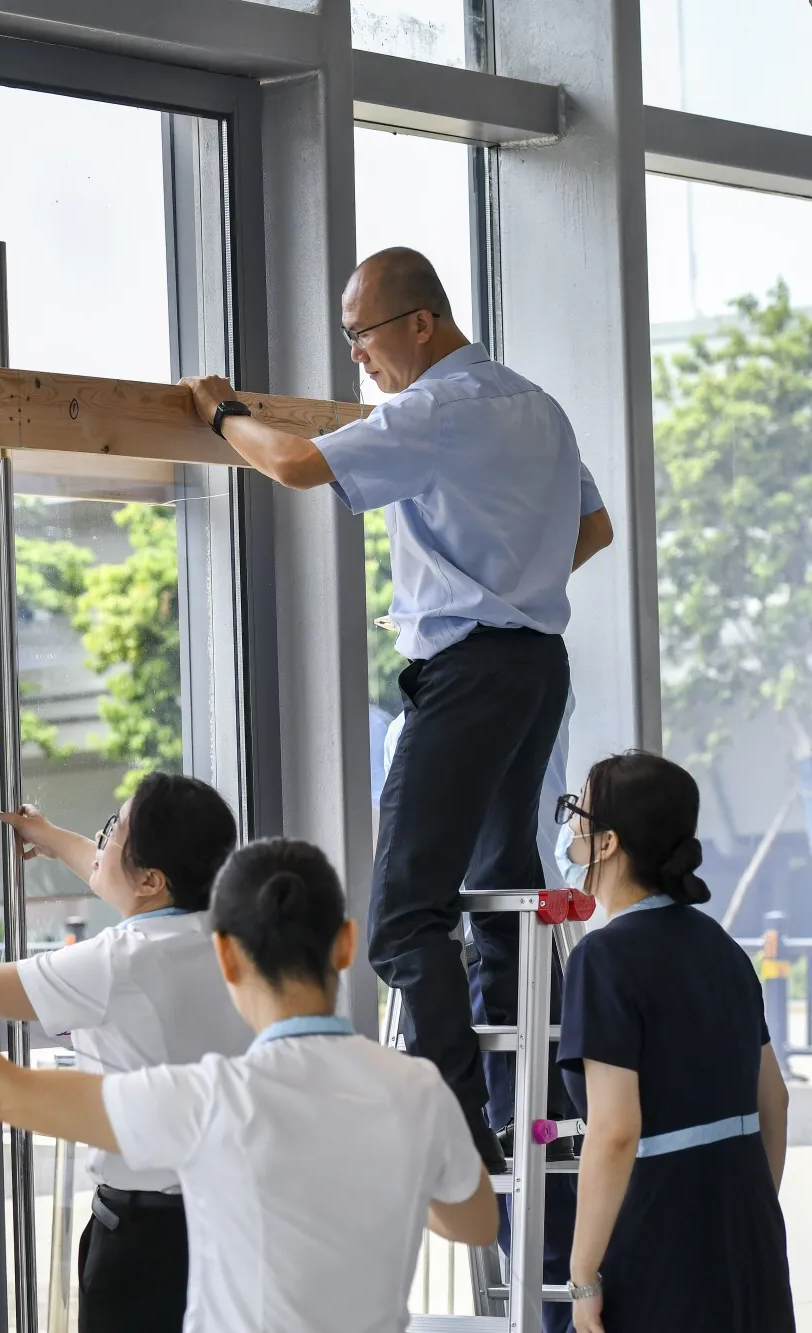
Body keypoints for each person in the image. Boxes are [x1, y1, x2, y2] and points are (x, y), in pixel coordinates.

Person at [182, 246, 614, 1174]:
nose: (358, 360)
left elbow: (296, 464)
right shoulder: (539, 406)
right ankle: (538, 1115)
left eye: (361, 335)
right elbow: (594, 528)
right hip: (535, 663)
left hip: (467, 677)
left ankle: (455, 1132)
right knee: (505, 894)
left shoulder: (436, 409)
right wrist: (503, 588)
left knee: (401, 921)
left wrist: (221, 411)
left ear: (420, 322)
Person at [0, 838, 498, 1333]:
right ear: (344, 943)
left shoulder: (211, 1097)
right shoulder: (418, 1088)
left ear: (225, 954)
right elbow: (474, 1223)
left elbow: (2, 1091)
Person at [0, 773, 248, 1332]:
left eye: (113, 832)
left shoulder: (118, 961)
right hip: (236, 1223)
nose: (100, 841)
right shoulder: (234, 934)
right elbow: (118, 877)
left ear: (154, 878)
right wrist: (50, 836)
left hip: (147, 1242)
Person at [554, 751, 792, 1331]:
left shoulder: (603, 959)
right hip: (749, 1232)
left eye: (575, 812)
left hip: (659, 1237)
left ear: (607, 842)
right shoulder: (724, 951)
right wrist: (748, 1211)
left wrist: (583, 1275)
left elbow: (613, 1131)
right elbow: (774, 1103)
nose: (568, 829)